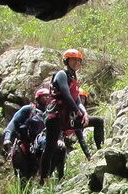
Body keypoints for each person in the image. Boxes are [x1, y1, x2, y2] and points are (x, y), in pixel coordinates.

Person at [40, 48, 98, 180]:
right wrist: (78, 112)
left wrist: (84, 113)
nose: (76, 63)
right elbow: (66, 95)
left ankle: (100, 151)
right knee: (50, 147)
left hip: (67, 118)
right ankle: (44, 178)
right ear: (67, 61)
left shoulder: (74, 78)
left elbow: (77, 99)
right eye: (73, 60)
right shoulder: (62, 74)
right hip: (55, 116)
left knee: (98, 122)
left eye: (79, 61)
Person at [2, 88, 50, 184]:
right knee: (23, 180)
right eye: (44, 97)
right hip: (22, 149)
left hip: (38, 151)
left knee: (37, 178)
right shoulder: (28, 109)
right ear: (38, 99)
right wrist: (7, 139)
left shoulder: (50, 114)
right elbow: (12, 124)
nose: (47, 98)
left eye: (48, 96)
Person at [64, 88, 105, 160]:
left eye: (83, 98)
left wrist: (88, 156)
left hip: (72, 129)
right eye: (80, 98)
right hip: (64, 131)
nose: (82, 100)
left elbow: (80, 138)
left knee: (99, 121)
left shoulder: (81, 115)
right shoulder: (70, 109)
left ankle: (100, 149)